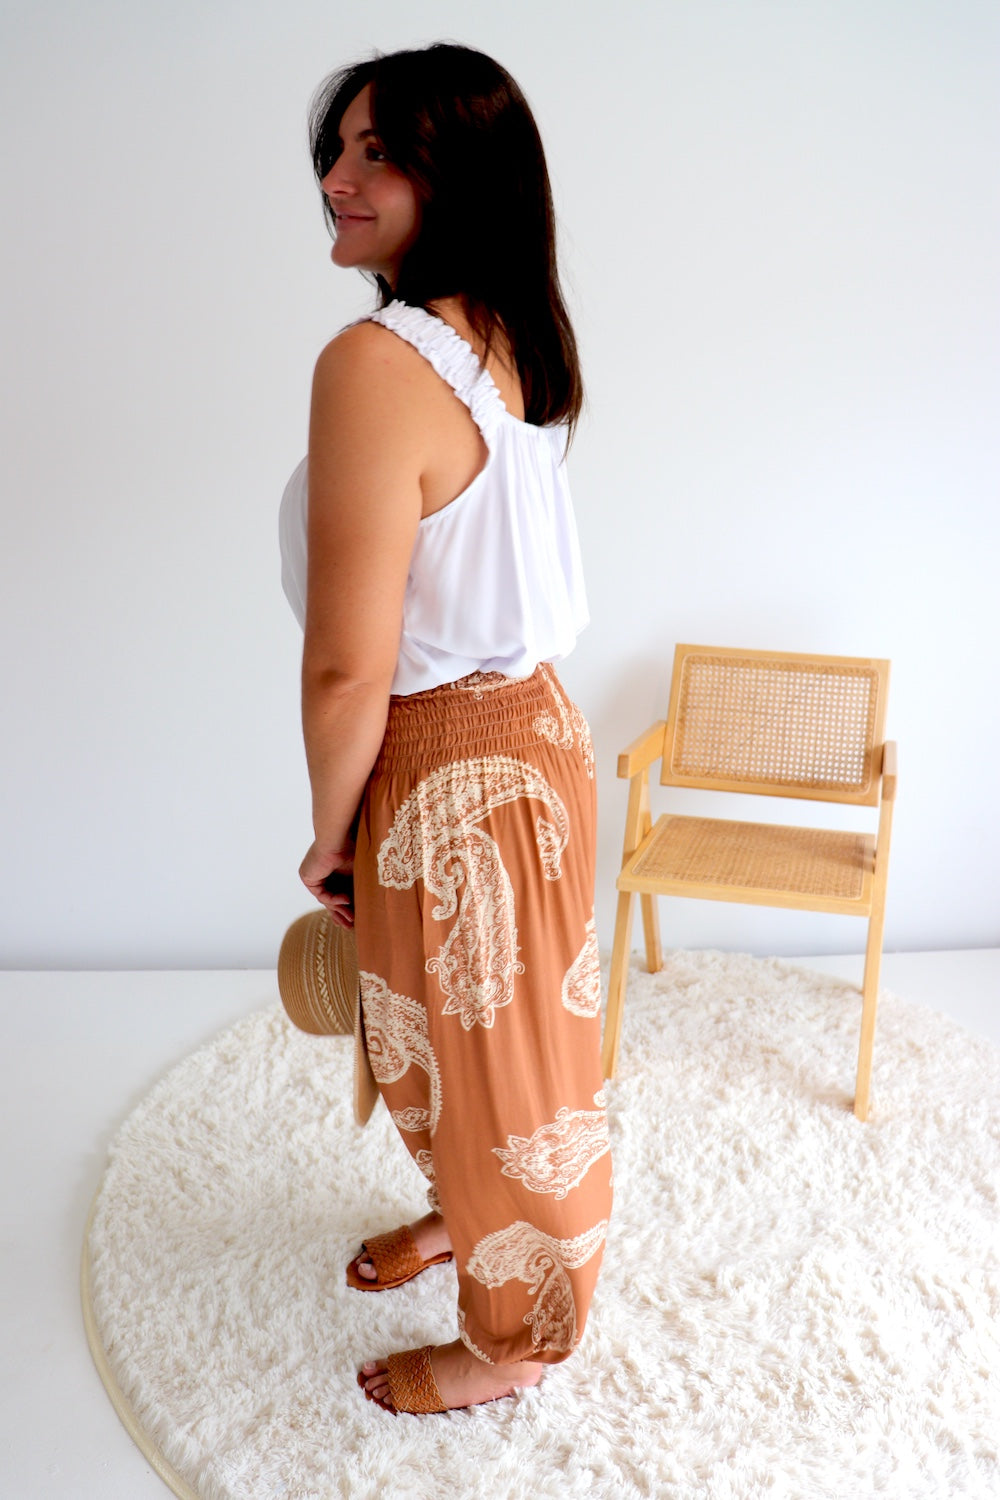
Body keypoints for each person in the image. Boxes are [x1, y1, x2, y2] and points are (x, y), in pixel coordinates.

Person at [279, 41, 612, 1416]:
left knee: (503, 1073)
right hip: (538, 734)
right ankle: (460, 1212)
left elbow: (345, 666)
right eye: (339, 147)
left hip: (447, 764)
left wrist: (330, 836)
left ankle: (514, 1341)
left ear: (457, 176)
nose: (338, 178)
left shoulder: (373, 363)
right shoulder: (508, 335)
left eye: (381, 152)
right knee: (477, 1042)